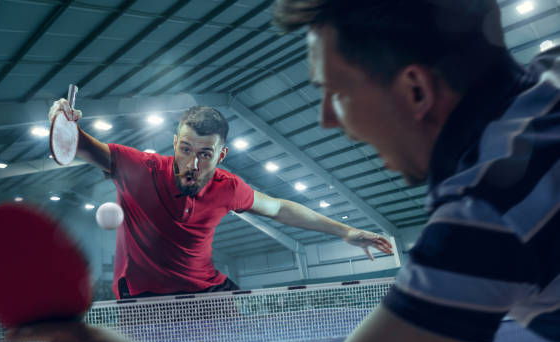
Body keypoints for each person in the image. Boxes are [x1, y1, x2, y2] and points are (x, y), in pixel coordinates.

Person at [9, 0, 560, 342]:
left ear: (415, 90)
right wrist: (65, 128)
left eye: (337, 93)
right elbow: (79, 147)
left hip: (202, 299)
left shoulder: (480, 223)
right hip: (146, 301)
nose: (325, 118)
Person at [48, 103, 392, 299]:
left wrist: (345, 231)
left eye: (205, 154)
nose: (192, 164)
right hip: (145, 296)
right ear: (175, 143)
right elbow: (80, 144)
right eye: (185, 149)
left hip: (207, 291)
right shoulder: (142, 168)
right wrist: (60, 119)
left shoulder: (228, 188)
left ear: (221, 155)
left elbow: (280, 207)